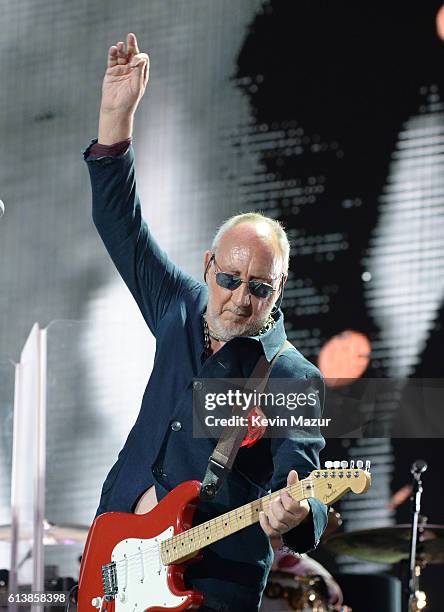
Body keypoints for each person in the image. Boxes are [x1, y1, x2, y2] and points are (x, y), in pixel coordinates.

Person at [82, 32, 327, 612]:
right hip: (113, 560)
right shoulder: (179, 308)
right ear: (208, 267)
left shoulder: (290, 376)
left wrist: (296, 512)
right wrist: (116, 118)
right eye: (230, 279)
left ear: (278, 291)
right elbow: (124, 229)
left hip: (209, 593)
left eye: (260, 288)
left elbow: (303, 485)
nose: (240, 299)